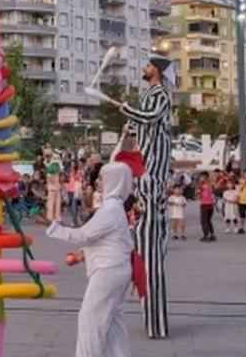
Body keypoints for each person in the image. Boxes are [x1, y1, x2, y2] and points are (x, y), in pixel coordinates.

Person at [103, 56, 173, 339]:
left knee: (150, 257)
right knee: (141, 254)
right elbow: (138, 125)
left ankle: (156, 324)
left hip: (152, 177)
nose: (144, 68)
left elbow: (148, 116)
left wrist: (125, 107)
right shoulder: (148, 96)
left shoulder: (160, 95)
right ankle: (151, 320)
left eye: (148, 65)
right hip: (144, 176)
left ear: (157, 70)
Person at [45, 162, 135, 357]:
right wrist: (82, 255)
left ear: (113, 181)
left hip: (108, 271)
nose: (98, 182)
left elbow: (84, 235)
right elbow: (106, 240)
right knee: (112, 322)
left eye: (102, 178)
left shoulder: (110, 209)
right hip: (115, 269)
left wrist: (52, 227)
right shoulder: (114, 207)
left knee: (91, 321)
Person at [196, 172, 215, 242]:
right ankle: (212, 234)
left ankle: (206, 235)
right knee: (208, 220)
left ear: (205, 177)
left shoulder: (201, 185)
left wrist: (198, 192)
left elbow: (198, 195)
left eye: (201, 177)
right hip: (211, 205)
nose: (200, 178)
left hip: (204, 205)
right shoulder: (211, 184)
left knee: (204, 221)